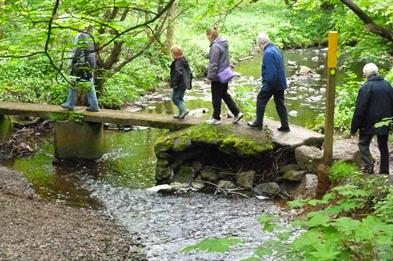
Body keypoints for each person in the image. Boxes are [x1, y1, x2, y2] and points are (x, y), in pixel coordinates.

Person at [350, 63, 393, 174]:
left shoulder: (366, 87)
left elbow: (360, 109)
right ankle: (384, 171)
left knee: (363, 144)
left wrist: (354, 128)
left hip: (368, 123)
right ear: (377, 72)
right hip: (385, 121)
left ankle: (369, 165)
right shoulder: (387, 85)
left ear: (366, 75)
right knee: (383, 147)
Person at [248, 33, 289, 131]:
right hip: (281, 82)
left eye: (258, 45)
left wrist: (266, 85)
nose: (259, 47)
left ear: (261, 43)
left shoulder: (268, 53)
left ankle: (258, 123)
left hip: (272, 83)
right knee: (280, 103)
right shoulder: (276, 49)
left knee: (260, 99)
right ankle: (285, 125)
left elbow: (271, 72)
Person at [205, 27, 243, 125]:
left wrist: (210, 77)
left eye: (207, 36)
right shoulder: (224, 43)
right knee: (224, 95)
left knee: (216, 97)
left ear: (210, 35)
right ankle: (237, 113)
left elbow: (213, 63)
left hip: (218, 76)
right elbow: (225, 59)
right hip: (226, 74)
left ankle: (216, 118)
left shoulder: (215, 47)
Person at [61, 27, 100, 112]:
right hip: (89, 64)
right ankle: (94, 105)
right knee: (89, 83)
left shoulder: (79, 36)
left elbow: (76, 50)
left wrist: (72, 62)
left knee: (73, 82)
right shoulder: (90, 37)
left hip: (80, 64)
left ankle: (70, 103)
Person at [169, 45, 192, 119]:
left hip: (179, 84)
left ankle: (184, 110)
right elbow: (189, 72)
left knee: (175, 98)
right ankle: (181, 114)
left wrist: (174, 83)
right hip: (184, 83)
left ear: (175, 55)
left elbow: (178, 73)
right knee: (180, 98)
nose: (171, 55)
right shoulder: (184, 60)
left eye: (172, 54)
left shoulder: (178, 62)